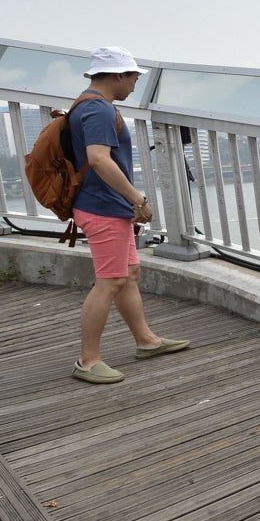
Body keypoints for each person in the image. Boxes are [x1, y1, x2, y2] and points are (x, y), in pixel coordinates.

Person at [70, 46, 189, 384]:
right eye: (134, 76)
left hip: (107, 204)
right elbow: (98, 159)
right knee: (110, 281)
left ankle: (147, 341)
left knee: (129, 273)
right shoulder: (98, 109)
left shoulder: (89, 104)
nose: (135, 83)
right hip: (102, 206)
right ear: (119, 75)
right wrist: (138, 200)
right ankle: (88, 361)